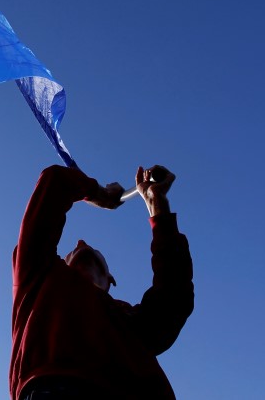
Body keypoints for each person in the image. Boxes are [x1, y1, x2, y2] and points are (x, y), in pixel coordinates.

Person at [10, 165, 193, 400]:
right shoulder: (37, 278)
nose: (80, 241)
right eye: (70, 252)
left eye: (92, 249)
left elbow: (174, 297)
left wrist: (156, 203)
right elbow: (55, 181)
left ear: (110, 280)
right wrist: (100, 194)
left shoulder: (128, 320)